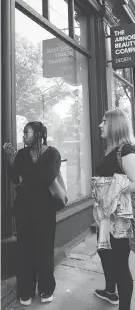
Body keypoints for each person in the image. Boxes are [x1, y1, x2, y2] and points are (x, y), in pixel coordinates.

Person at [3, 122, 61, 306]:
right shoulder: (20, 154)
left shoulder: (53, 153)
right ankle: (26, 290)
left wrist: (24, 181)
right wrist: (12, 161)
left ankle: (46, 289)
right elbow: (14, 179)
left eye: (26, 132)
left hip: (45, 210)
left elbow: (49, 176)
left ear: (37, 134)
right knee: (25, 250)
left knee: (45, 249)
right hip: (24, 210)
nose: (23, 136)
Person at [94, 108, 135, 310]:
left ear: (115, 125)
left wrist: (109, 189)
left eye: (104, 121)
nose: (100, 125)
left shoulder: (126, 150)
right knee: (104, 252)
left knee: (121, 265)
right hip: (106, 215)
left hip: (120, 218)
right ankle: (110, 291)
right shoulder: (110, 149)